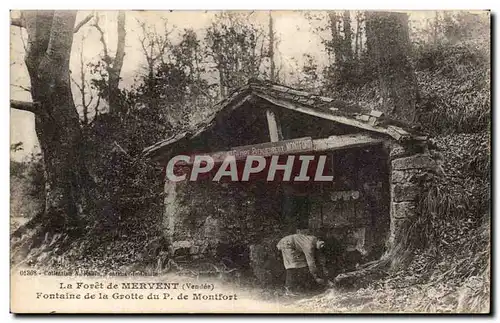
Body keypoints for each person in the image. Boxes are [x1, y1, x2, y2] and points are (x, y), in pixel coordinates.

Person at [276, 229, 328, 295]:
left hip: (286, 242)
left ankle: (302, 287)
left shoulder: (314, 239)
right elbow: (310, 261)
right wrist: (316, 276)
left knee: (301, 264)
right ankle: (289, 290)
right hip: (287, 244)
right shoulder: (309, 246)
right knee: (293, 265)